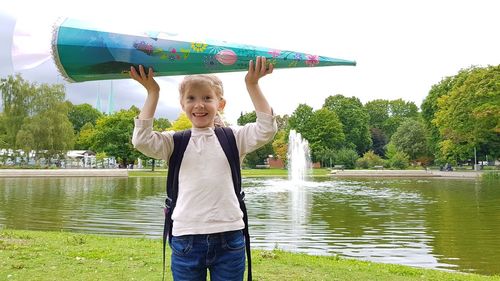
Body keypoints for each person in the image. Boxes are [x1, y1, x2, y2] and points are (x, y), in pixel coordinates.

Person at [131, 56, 277, 281]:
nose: (199, 104)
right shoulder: (174, 142)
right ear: (182, 105)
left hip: (230, 238)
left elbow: (266, 128)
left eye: (207, 98)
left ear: (220, 103)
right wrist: (153, 92)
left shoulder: (234, 138)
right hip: (185, 240)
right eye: (191, 98)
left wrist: (253, 84)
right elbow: (141, 140)